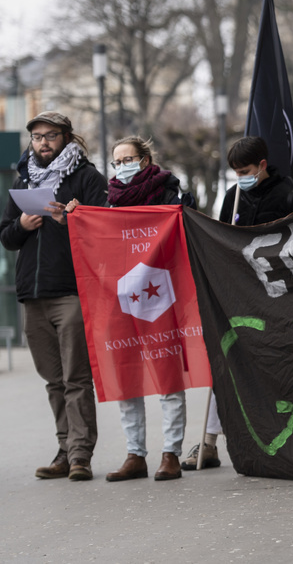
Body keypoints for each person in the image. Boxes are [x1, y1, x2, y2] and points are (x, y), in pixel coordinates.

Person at [180, 135, 293, 471]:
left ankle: (287, 435)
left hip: (276, 295)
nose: (241, 177)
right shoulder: (234, 197)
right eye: (235, 172)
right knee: (227, 362)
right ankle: (208, 442)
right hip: (238, 293)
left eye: (246, 170)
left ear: (263, 165)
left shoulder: (287, 194)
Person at [0, 111, 108, 481]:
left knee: (76, 378)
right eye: (37, 137)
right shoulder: (23, 180)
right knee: (53, 380)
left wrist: (71, 221)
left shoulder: (87, 177)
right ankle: (64, 449)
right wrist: (22, 225)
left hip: (71, 291)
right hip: (32, 293)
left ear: (66, 138)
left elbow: (103, 229)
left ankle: (80, 455)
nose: (43, 143)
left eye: (51, 136)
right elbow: (5, 237)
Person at [102, 136, 191, 482]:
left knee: (168, 377)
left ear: (145, 159)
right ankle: (135, 454)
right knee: (127, 376)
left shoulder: (169, 193)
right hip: (121, 297)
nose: (122, 166)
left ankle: (171, 453)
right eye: (117, 161)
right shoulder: (108, 202)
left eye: (128, 159)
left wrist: (185, 208)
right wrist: (78, 217)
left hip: (160, 295)